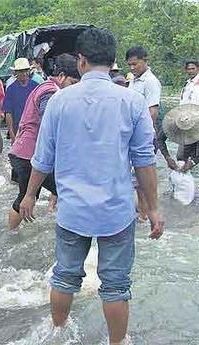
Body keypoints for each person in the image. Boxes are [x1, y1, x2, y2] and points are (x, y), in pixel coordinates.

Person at [19, 28, 163, 344]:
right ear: (112, 62)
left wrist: (30, 195)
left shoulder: (59, 102)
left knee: (64, 276)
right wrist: (152, 208)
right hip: (116, 211)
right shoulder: (132, 101)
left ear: (81, 61)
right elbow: (144, 162)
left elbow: (42, 158)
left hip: (73, 211)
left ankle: (57, 335)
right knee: (115, 286)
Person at [8, 54, 80, 232]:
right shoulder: (50, 92)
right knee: (32, 197)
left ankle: (13, 234)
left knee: (41, 194)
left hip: (24, 153)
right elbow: (50, 124)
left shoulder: (46, 87)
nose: (76, 88)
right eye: (74, 82)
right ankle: (11, 235)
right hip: (28, 155)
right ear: (62, 76)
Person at [126, 46, 162, 221]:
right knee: (135, 178)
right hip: (131, 134)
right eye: (129, 65)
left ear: (145, 60)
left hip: (143, 136)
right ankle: (142, 212)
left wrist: (142, 135)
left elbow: (152, 112)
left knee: (141, 176)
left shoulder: (150, 82)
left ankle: (144, 214)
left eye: (135, 64)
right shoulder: (134, 80)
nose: (132, 68)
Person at [2, 58, 39, 144]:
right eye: (21, 71)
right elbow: (8, 113)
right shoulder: (11, 89)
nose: (24, 73)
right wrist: (12, 135)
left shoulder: (36, 87)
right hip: (17, 128)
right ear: (16, 73)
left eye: (26, 70)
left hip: (33, 129)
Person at [158, 104, 199, 173]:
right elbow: (159, 139)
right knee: (181, 159)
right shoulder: (171, 123)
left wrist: (193, 162)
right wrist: (167, 157)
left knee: (193, 160)